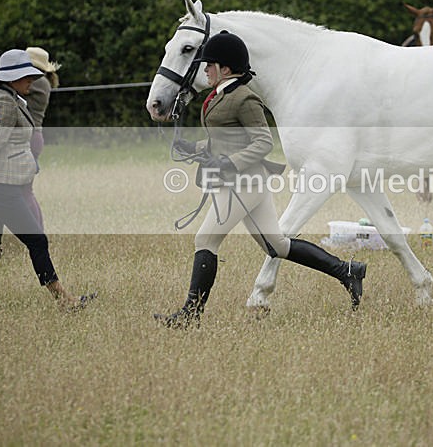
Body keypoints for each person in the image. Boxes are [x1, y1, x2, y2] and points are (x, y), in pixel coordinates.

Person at [154, 31, 367, 328]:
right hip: (241, 183)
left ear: (225, 68)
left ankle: (190, 316)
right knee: (276, 245)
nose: (204, 70)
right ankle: (348, 271)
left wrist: (229, 162)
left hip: (245, 184)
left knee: (206, 239)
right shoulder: (220, 95)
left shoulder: (245, 98)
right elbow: (225, 140)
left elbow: (262, 142)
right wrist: (195, 148)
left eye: (209, 65)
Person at [0, 49, 95, 321]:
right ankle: (65, 300)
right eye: (26, 76)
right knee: (37, 240)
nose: (31, 81)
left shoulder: (9, 98)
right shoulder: (4, 103)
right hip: (0, 189)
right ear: (11, 79)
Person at [23, 46, 60, 229]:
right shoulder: (43, 81)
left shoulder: (37, 82)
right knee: (26, 191)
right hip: (34, 136)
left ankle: (37, 232)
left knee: (25, 191)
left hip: (29, 137)